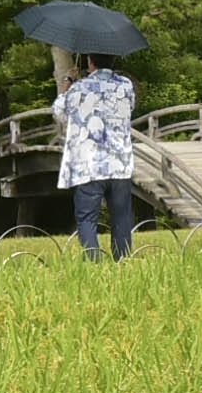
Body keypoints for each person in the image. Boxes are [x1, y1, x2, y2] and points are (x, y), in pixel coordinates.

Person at [52, 53, 138, 260]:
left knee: (87, 218)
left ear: (90, 61)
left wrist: (68, 82)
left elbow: (59, 113)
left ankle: (94, 262)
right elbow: (130, 108)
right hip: (120, 163)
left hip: (89, 165)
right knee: (122, 218)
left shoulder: (80, 88)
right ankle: (123, 261)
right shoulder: (125, 85)